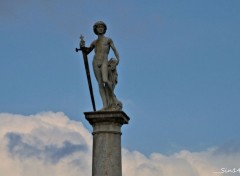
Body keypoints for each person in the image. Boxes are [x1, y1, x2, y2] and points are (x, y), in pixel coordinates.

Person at [82, 21, 122, 111]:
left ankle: (114, 99)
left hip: (104, 61)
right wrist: (83, 48)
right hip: (95, 62)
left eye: (102, 27)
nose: (100, 28)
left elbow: (115, 50)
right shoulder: (94, 42)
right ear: (95, 29)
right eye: (98, 27)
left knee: (105, 80)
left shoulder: (108, 40)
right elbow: (87, 52)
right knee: (100, 84)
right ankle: (105, 105)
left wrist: (118, 60)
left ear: (104, 29)